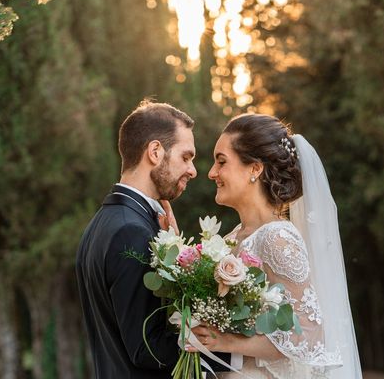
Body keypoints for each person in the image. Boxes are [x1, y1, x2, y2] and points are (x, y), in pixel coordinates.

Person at [193, 113, 362, 378]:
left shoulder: (277, 238)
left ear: (255, 169)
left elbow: (309, 334)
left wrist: (227, 342)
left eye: (221, 162)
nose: (212, 173)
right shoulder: (233, 237)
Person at [76, 100, 235, 378]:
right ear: (155, 151)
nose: (193, 170)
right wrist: (234, 350)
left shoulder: (103, 223)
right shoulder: (131, 232)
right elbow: (146, 348)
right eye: (186, 157)